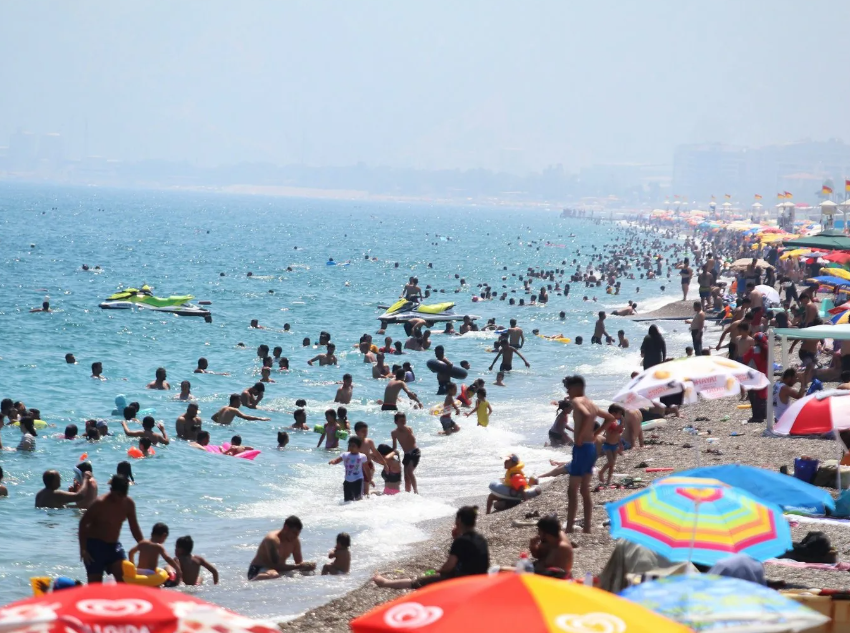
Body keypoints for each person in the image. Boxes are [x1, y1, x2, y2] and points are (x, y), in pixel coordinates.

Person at [372, 506, 489, 588]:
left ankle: (385, 583)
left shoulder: (460, 542)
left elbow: (450, 565)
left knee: (417, 582)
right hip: (479, 577)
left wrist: (441, 571)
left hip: (463, 581)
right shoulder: (479, 538)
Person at [564, 375, 614, 534]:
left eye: (569, 388)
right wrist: (595, 434)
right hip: (591, 448)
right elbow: (610, 418)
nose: (567, 392)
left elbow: (586, 415)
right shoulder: (591, 403)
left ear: (576, 388)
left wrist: (579, 436)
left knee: (572, 490)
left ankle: (570, 528)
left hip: (581, 448)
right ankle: (586, 527)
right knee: (584, 490)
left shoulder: (577, 401)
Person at [78, 474, 144, 583]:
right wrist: (83, 549)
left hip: (114, 547)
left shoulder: (128, 504)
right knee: (95, 585)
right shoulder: (99, 503)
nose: (121, 498)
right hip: (95, 547)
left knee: (123, 580)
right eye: (118, 495)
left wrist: (143, 545)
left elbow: (134, 528)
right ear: (111, 490)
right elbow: (83, 524)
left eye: (124, 495)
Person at [247, 516, 316, 580]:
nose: (295, 537)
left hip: (277, 570)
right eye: (294, 533)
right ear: (286, 528)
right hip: (258, 569)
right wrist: (299, 566)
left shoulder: (295, 540)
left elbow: (299, 563)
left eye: (297, 534)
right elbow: (275, 565)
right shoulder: (272, 540)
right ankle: (251, 582)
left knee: (308, 573)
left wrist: (307, 566)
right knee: (274, 575)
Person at [329, 437, 368, 501]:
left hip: (358, 479)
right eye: (350, 445)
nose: (351, 447)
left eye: (353, 446)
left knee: (358, 499)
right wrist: (333, 461)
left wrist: (369, 479)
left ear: (359, 447)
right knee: (347, 500)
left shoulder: (362, 456)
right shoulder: (345, 455)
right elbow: (337, 460)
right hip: (347, 480)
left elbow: (366, 468)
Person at [391, 412, 420, 494]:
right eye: (401, 421)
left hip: (414, 452)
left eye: (404, 421)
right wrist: (392, 455)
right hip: (406, 454)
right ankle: (408, 493)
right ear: (396, 422)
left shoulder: (408, 429)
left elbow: (413, 441)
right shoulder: (394, 433)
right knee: (406, 477)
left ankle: (416, 491)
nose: (403, 423)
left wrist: (407, 432)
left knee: (409, 472)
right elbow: (394, 447)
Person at [599, 405, 626, 484]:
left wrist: (620, 444)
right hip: (607, 445)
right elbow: (615, 431)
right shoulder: (609, 422)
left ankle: (608, 480)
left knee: (612, 465)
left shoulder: (616, 422)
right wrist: (622, 423)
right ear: (613, 413)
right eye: (619, 413)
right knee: (611, 462)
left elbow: (618, 434)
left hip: (615, 445)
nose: (621, 415)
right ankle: (601, 472)